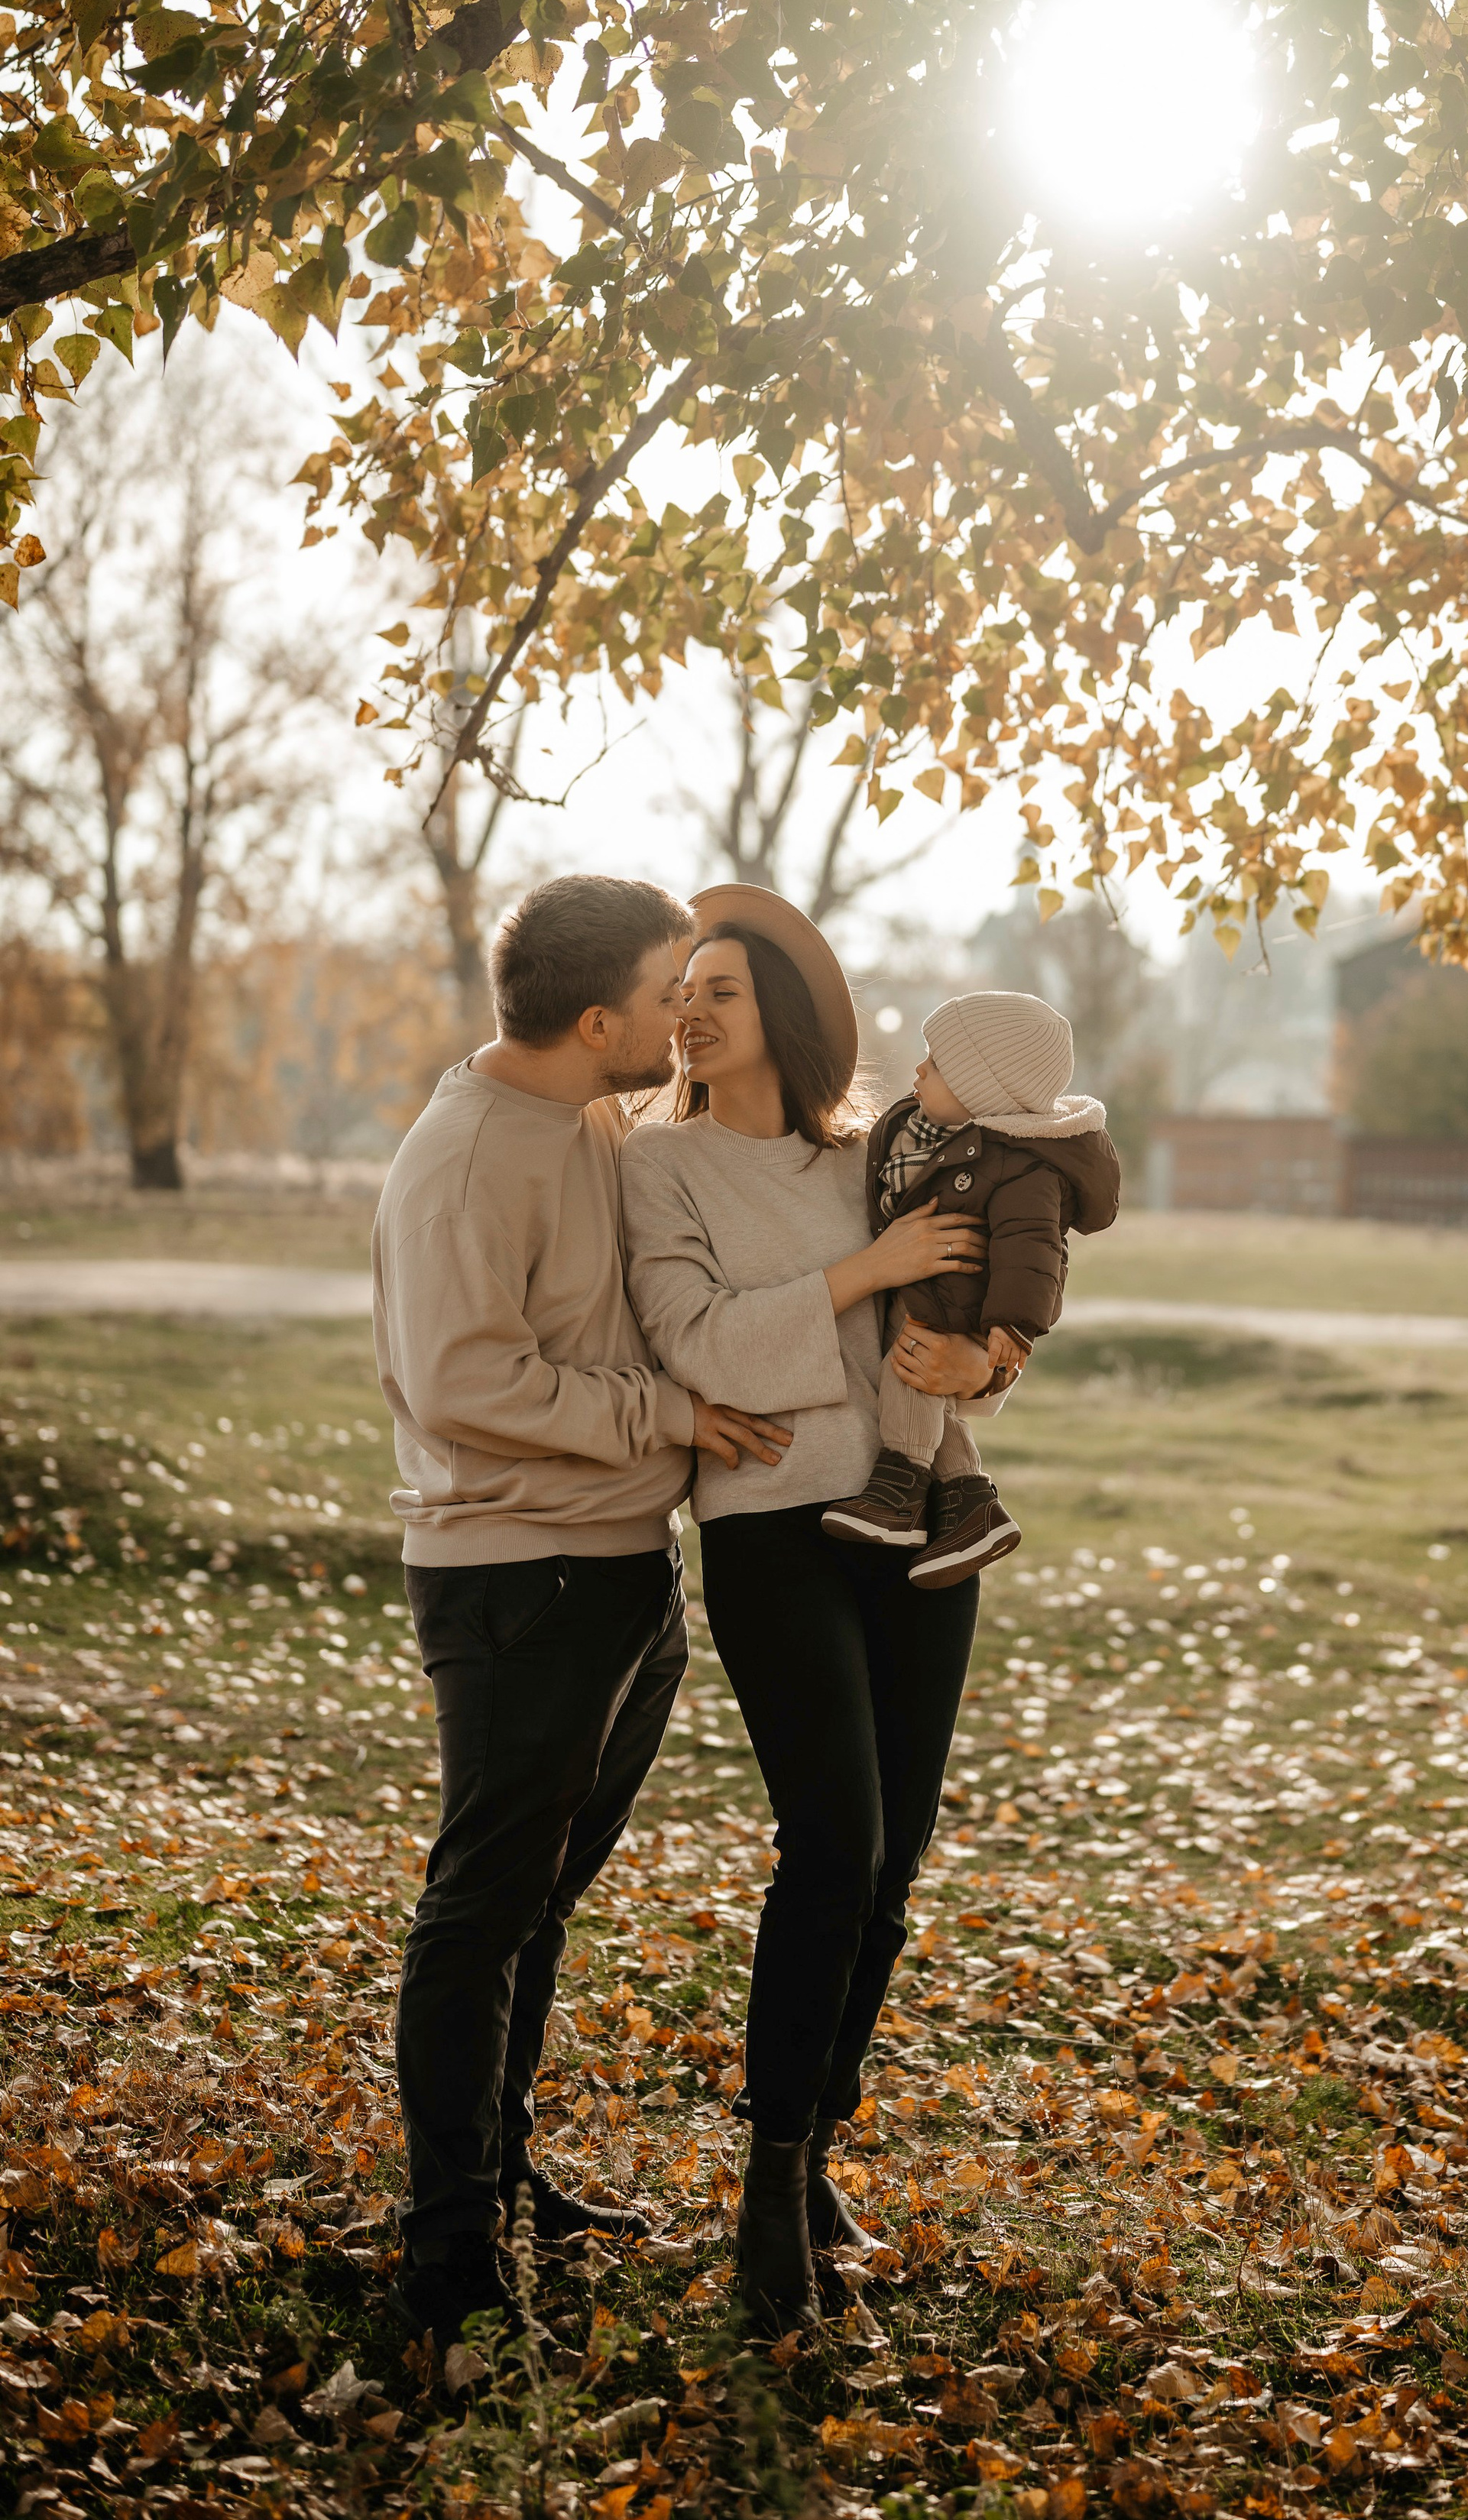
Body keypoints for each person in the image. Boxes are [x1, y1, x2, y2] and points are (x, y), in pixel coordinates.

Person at [372, 874, 789, 2350]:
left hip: (618, 1571)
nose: (691, 1006)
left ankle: (501, 2171)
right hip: (518, 1582)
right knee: (480, 1913)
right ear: (600, 1017)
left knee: (539, 1907)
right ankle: (447, 2254)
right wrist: (664, 1412)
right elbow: (463, 1384)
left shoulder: (590, 1112)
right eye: (675, 984)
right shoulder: (472, 1157)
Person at [620, 884, 1016, 2337]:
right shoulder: (658, 1170)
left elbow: (976, 1296)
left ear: (779, 1015)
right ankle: (770, 2176)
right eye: (684, 992)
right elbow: (702, 1340)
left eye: (722, 988)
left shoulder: (876, 1156)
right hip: (777, 1531)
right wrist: (867, 1271)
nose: (693, 1009)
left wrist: (993, 1361)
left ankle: (820, 2145)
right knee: (832, 1843)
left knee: (896, 1857)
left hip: (915, 1522)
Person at [821, 992, 1121, 1584]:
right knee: (917, 1377)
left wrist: (1011, 1326)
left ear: (983, 1090)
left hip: (958, 1300)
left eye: (936, 1062)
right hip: (926, 1283)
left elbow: (1035, 1250)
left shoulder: (1022, 1166)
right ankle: (968, 1502)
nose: (919, 1069)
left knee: (910, 1371)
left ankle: (901, 1487)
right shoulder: (928, 1132)